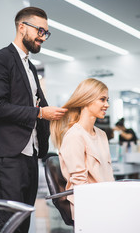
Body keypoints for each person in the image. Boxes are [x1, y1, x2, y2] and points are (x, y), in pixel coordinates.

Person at [0, 7, 67, 233]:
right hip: (8, 156)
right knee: (11, 223)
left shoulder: (29, 66)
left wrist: (68, 113)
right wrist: (39, 113)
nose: (43, 37)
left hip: (30, 156)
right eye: (40, 30)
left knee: (24, 222)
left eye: (46, 33)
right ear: (21, 27)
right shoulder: (0, 59)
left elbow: (43, 106)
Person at [50, 78, 115, 220]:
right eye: (102, 99)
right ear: (87, 99)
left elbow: (107, 175)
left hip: (108, 200)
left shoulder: (102, 135)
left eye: (107, 100)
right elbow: (80, 185)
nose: (107, 105)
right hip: (89, 206)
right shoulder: (75, 136)